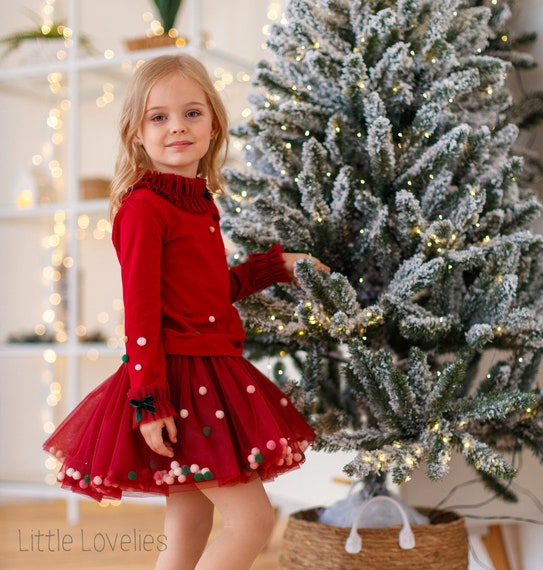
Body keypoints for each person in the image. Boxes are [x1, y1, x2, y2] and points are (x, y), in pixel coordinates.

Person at [43, 54, 330, 569]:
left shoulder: (198, 203)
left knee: (192, 522)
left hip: (210, 370)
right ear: (136, 131)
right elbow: (142, 314)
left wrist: (271, 267)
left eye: (192, 113)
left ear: (214, 122)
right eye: (159, 117)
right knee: (254, 522)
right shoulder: (143, 208)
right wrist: (149, 402)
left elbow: (207, 292)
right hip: (181, 380)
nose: (177, 126)